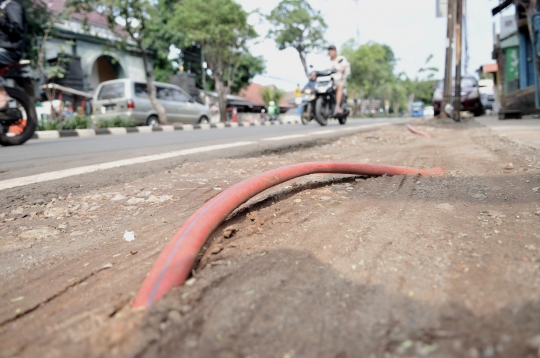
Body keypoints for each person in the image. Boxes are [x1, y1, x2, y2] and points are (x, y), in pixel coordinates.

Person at [0, 0, 27, 109]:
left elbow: (17, 31)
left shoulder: (12, 5)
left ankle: (2, 94)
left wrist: (1, 22)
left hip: (10, 51)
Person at [327, 45, 350, 115]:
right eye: (329, 50)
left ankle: (338, 107)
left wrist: (340, 70)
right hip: (329, 81)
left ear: (335, 51)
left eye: (332, 50)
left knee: (340, 86)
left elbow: (344, 66)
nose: (331, 52)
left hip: (340, 79)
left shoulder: (340, 58)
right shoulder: (327, 62)